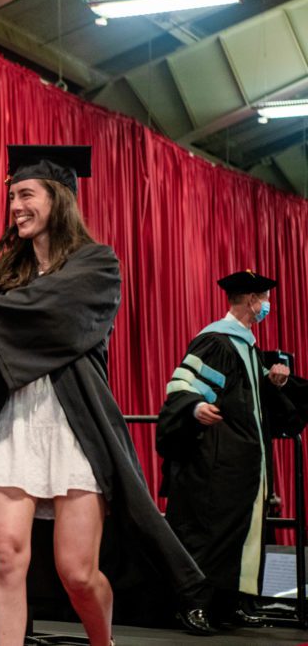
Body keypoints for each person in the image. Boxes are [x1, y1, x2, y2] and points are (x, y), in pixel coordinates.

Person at [0, 146, 203, 646]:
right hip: (8, 424)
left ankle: (102, 643)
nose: (15, 205)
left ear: (57, 199)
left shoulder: (97, 267)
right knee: (5, 553)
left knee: (77, 572)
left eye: (26, 194)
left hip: (73, 429)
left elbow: (49, 312)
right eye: (11, 195)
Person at [157, 270, 308, 632]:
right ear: (252, 301)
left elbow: (251, 400)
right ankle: (193, 604)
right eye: (263, 299)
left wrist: (273, 381)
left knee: (240, 532)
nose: (267, 306)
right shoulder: (217, 341)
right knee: (209, 533)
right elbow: (183, 385)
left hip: (244, 464)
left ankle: (231, 602)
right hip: (215, 460)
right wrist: (194, 407)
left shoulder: (247, 345)